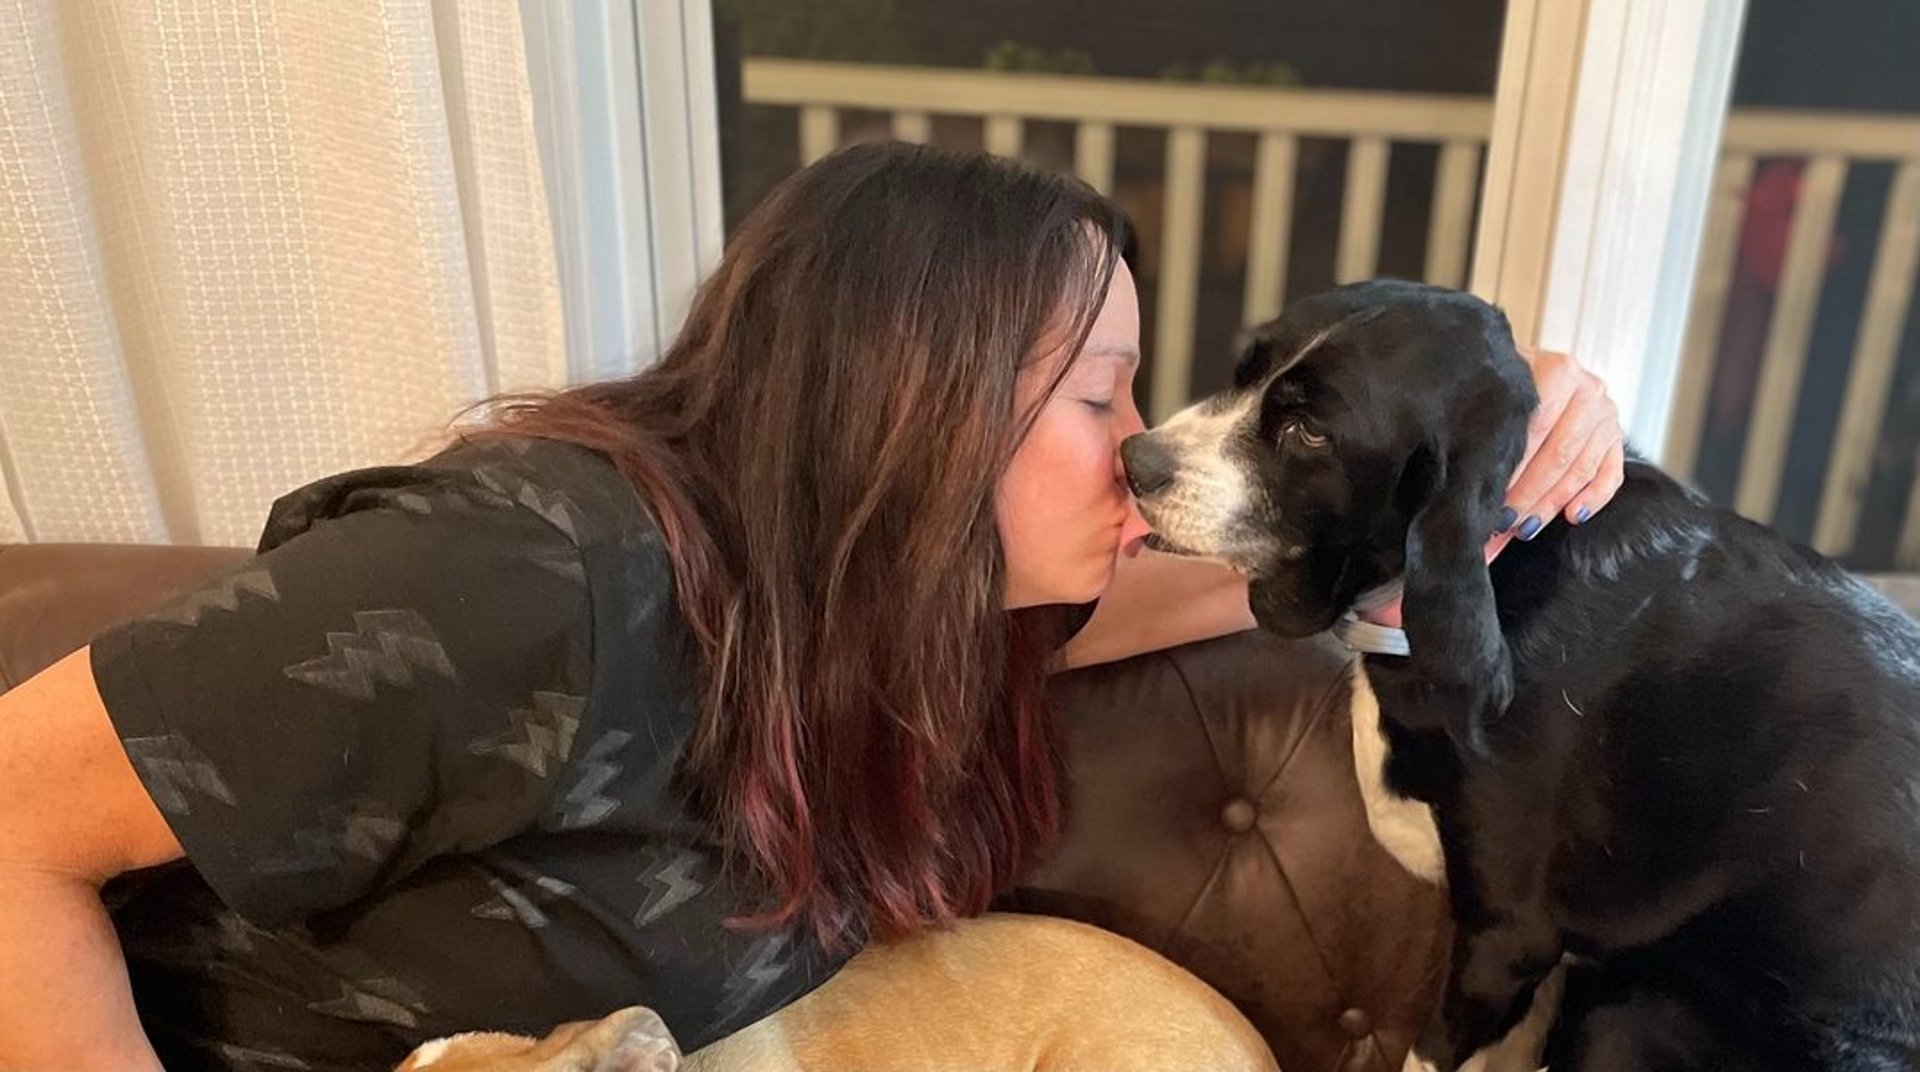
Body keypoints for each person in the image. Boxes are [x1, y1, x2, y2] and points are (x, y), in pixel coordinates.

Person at [0, 141, 1623, 1072]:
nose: (1141, 456)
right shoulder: (529, 572)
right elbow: (10, 821)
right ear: (907, 405)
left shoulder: (898, 612)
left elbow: (1236, 581)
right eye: (1100, 399)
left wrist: (1502, 420)